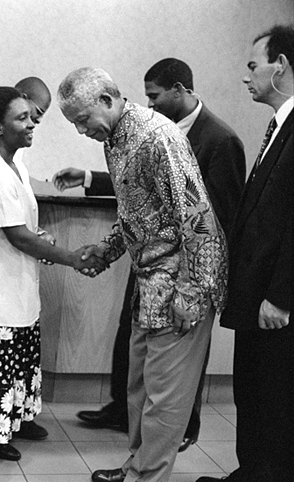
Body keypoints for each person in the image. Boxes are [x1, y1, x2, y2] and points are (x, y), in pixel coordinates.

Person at [55, 57, 246, 452]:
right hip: (148, 285)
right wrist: (107, 249)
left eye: (83, 119)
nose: (81, 130)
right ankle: (136, 467)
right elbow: (139, 212)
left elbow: (200, 221)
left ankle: (146, 475)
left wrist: (190, 294)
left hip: (180, 287)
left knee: (164, 403)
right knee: (139, 393)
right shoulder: (115, 138)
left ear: (107, 100)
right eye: (73, 123)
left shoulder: (158, 137)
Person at [0, 86, 106, 479]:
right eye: (23, 118)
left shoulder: (12, 164)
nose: (33, 123)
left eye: (33, 116)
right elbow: (17, 236)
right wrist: (70, 257)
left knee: (12, 361)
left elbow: (22, 227)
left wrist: (42, 240)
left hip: (17, 280)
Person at [197, 25, 294, 482]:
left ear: (282, 65)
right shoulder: (280, 125)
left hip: (275, 298)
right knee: (253, 392)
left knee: (273, 397)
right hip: (256, 292)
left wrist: (281, 295)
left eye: (254, 66)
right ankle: (251, 471)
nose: (246, 76)